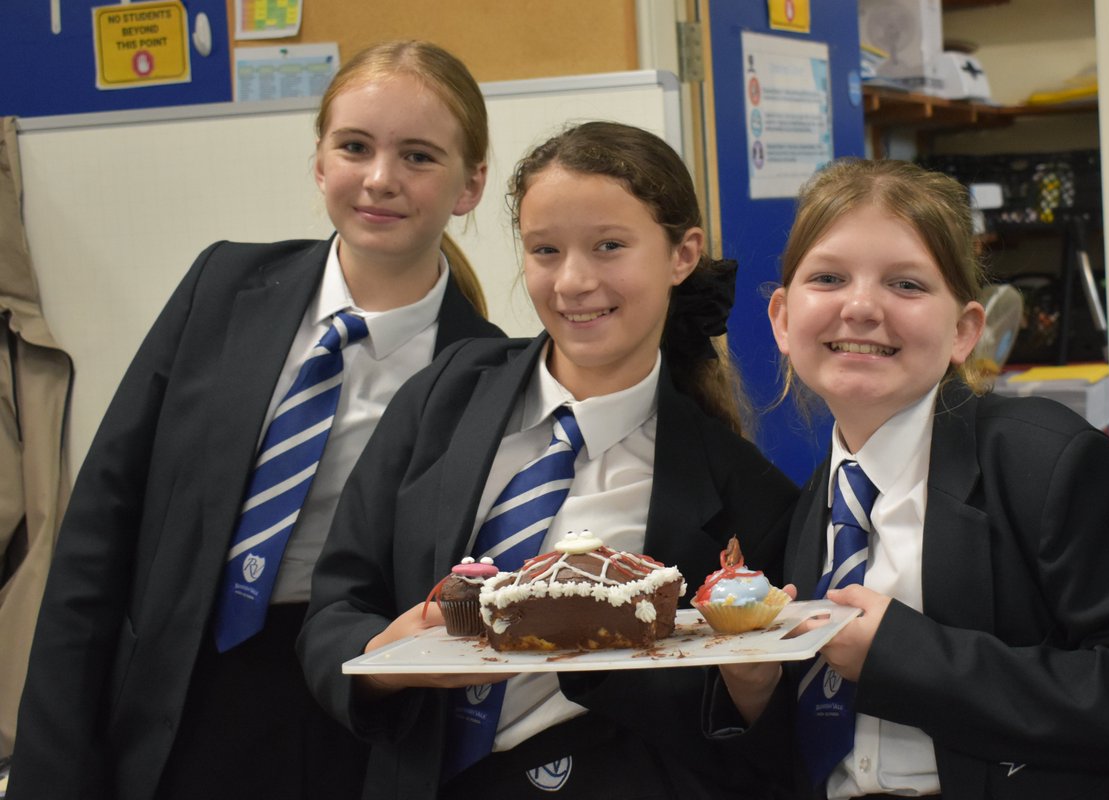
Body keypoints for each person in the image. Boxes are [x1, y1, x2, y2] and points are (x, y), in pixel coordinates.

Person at [9, 40, 504, 800]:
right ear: (318, 162)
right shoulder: (223, 287)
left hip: (344, 710)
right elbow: (99, 531)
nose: (380, 178)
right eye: (355, 147)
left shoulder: (486, 374)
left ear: (469, 184)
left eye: (417, 156)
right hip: (172, 689)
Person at [298, 121, 799, 799]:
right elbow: (335, 606)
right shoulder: (443, 398)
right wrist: (389, 661)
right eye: (545, 250)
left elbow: (755, 739)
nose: (573, 281)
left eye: (610, 246)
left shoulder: (742, 491)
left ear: (682, 255)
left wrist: (749, 687)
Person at [708, 158, 1109, 799]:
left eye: (906, 285)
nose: (860, 307)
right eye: (828, 277)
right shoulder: (811, 507)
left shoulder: (1050, 464)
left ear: (965, 329)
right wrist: (755, 692)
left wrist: (904, 658)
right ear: (781, 318)